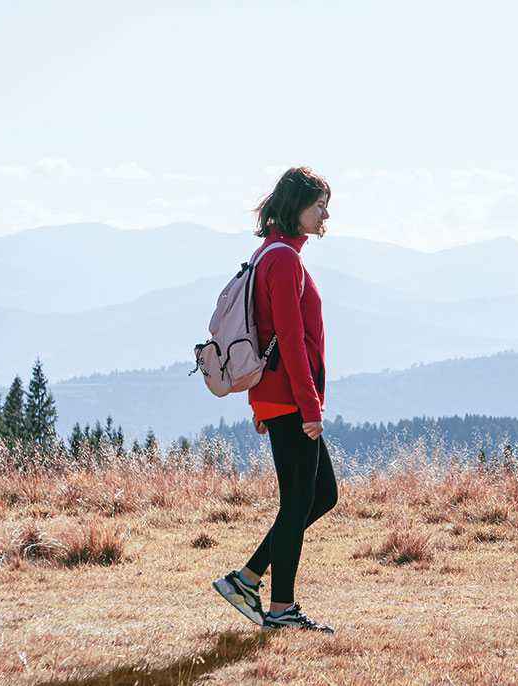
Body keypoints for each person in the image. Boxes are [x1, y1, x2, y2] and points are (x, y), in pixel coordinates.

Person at [213, 167, 338, 633]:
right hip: (290, 398)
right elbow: (287, 337)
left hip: (277, 397)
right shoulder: (283, 260)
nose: (326, 213)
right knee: (299, 501)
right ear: (295, 206)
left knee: (319, 495)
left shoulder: (270, 252)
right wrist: (311, 409)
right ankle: (281, 609)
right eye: (319, 204)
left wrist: (260, 403)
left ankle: (246, 580)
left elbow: (259, 334)